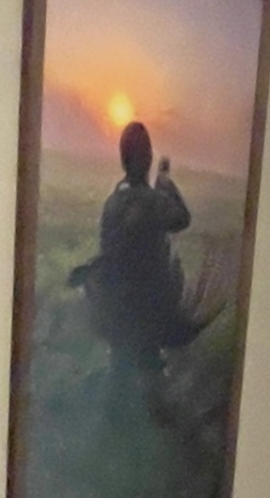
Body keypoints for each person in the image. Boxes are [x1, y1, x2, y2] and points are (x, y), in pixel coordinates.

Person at [69, 120, 195, 382]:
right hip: (147, 315)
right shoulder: (151, 201)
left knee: (121, 376)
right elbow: (182, 218)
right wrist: (165, 184)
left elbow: (111, 252)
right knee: (148, 381)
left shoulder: (113, 202)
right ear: (147, 159)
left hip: (117, 313)